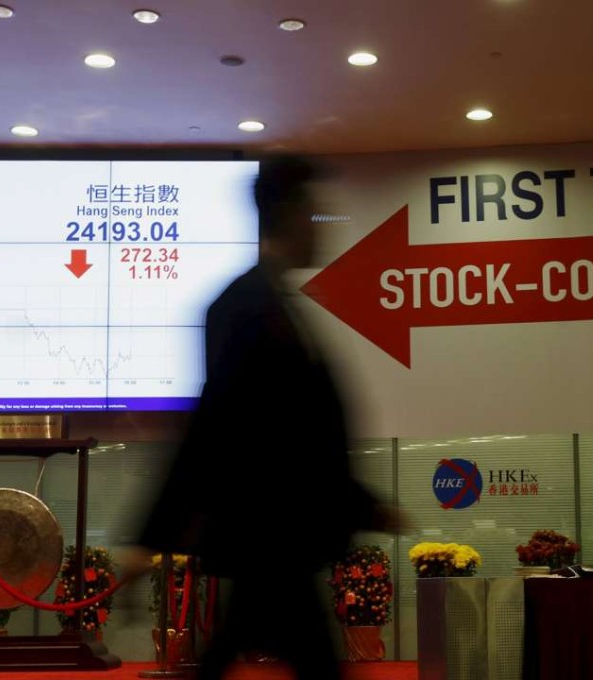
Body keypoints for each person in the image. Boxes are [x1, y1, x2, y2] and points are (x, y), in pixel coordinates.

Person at [134, 154, 399, 680]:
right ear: (287, 213)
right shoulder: (244, 306)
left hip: (278, 536)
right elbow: (218, 422)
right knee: (307, 660)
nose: (321, 228)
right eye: (313, 213)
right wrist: (153, 531)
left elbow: (298, 430)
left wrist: (360, 501)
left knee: (240, 652)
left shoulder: (276, 304)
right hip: (270, 532)